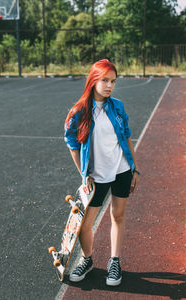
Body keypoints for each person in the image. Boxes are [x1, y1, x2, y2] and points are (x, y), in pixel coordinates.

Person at [64, 59, 140, 286]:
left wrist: (135, 168)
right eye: (105, 80)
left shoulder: (117, 106)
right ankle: (87, 260)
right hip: (96, 177)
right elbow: (72, 144)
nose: (109, 85)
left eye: (113, 81)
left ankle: (114, 261)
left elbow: (126, 136)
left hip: (122, 170)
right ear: (93, 80)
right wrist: (83, 174)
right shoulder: (78, 112)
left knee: (118, 216)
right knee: (84, 225)